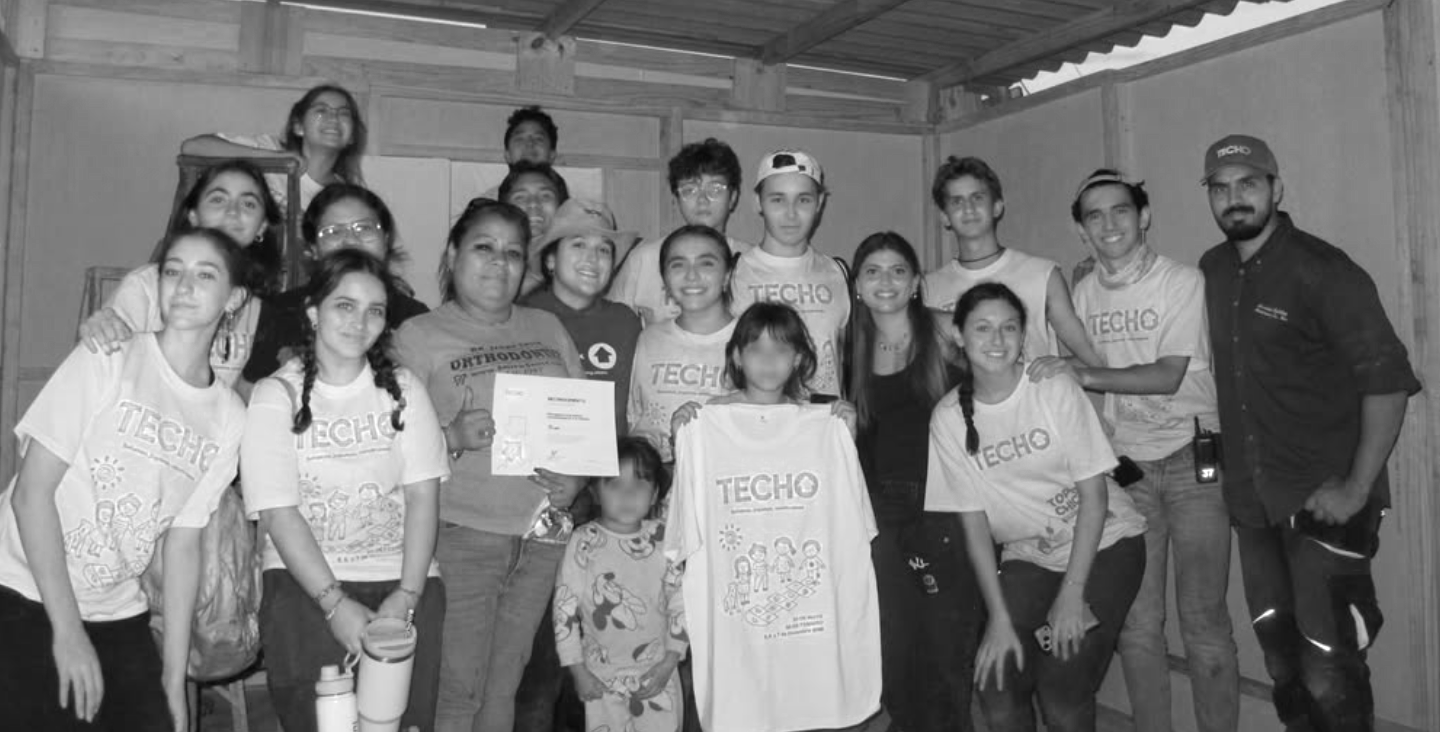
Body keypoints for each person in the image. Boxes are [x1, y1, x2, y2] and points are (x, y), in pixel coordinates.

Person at [1197, 135, 1419, 732]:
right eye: (1220, 188)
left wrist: (1355, 487)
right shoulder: (1213, 270)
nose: (1234, 198)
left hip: (1325, 502)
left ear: (1277, 188)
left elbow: (1388, 384)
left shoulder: (1324, 270)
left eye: (1248, 184)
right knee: (1283, 664)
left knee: (1330, 667)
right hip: (1253, 504)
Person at [0, 227, 251, 731]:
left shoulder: (227, 415)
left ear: (234, 298)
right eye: (173, 271)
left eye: (205, 275)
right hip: (24, 590)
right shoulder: (108, 355)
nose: (185, 285)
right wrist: (68, 633)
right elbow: (31, 495)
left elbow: (183, 544)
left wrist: (174, 680)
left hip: (116, 607)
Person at [1028, 169, 1239, 732]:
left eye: (1120, 210)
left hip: (1193, 461)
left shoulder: (1181, 281)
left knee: (1204, 622)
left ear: (1144, 216)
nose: (1109, 224)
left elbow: (1168, 375)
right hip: (1125, 471)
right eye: (1093, 216)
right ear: (1081, 230)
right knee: (1139, 626)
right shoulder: (1078, 295)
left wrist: (1081, 372)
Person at [394, 199, 587, 732]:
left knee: (505, 684)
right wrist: (451, 438)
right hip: (461, 534)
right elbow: (389, 444)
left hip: (543, 536)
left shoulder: (547, 325)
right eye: (484, 247)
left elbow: (580, 421)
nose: (500, 262)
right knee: (458, 687)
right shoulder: (417, 336)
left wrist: (578, 477)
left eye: (513, 252)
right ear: (453, 254)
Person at [241, 249, 449, 732]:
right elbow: (278, 514)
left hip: (405, 585)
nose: (360, 322)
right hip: (305, 587)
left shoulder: (403, 388)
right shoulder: (276, 395)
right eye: (344, 306)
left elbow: (423, 497)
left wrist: (407, 595)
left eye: (375, 310)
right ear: (313, 312)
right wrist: (334, 603)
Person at [926, 283, 1147, 732]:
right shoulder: (948, 418)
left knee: (1062, 689)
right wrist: (998, 618)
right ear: (959, 335)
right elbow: (974, 525)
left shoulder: (1051, 387)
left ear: (1023, 335)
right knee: (996, 683)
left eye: (1009, 327)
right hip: (1029, 555)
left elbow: (1095, 497)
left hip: (1105, 544)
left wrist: (1072, 593)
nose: (997, 339)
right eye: (982, 328)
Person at [666, 302, 879, 732]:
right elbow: (683, 527)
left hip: (805, 615)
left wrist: (846, 437)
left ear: (798, 358)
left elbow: (855, 522)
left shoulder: (823, 424)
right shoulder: (706, 423)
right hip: (736, 610)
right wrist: (681, 436)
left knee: (801, 698)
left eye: (780, 350)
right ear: (737, 356)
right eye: (756, 349)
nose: (768, 360)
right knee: (745, 703)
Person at [847, 232, 981, 732]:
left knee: (948, 645)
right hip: (879, 512)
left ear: (916, 282)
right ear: (857, 285)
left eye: (898, 270)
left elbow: (1003, 379)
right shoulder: (849, 342)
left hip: (945, 505)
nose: (886, 281)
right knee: (894, 646)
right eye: (873, 271)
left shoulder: (945, 330)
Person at [77, 159, 284, 386]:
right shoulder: (146, 286)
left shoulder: (261, 304)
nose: (232, 212)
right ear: (193, 216)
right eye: (218, 199)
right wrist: (102, 330)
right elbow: (103, 365)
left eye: (248, 204)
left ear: (262, 226)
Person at [554, 437, 687, 732]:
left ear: (655, 494)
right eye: (615, 485)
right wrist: (577, 670)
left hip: (657, 673)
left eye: (639, 485)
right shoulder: (583, 542)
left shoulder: (663, 538)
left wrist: (670, 661)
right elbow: (564, 611)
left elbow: (681, 602)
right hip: (600, 678)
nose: (628, 495)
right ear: (595, 491)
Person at [242, 184, 428, 389]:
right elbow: (250, 392)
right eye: (333, 232)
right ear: (313, 249)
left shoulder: (414, 318)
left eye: (364, 228)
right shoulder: (279, 312)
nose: (350, 240)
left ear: (385, 240)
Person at [923, 156, 1102, 368]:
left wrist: (1051, 369)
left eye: (977, 198)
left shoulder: (1042, 275)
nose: (968, 208)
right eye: (957, 201)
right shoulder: (928, 289)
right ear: (944, 216)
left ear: (997, 207)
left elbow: (1092, 358)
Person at [729, 150, 850, 399]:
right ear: (758, 202)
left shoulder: (838, 273)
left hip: (821, 418)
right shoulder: (734, 273)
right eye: (778, 200)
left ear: (819, 203)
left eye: (803, 200)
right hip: (753, 418)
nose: (791, 213)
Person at [522, 198, 642, 436]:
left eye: (603, 250)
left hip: (610, 457)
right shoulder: (522, 318)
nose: (592, 258)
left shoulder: (625, 322)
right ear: (551, 259)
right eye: (579, 245)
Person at [610, 138, 752, 326]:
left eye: (715, 189)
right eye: (690, 190)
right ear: (676, 199)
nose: (702, 199)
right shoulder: (644, 258)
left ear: (733, 198)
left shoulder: (752, 261)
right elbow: (612, 323)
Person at [628, 224, 737, 462]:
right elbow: (635, 419)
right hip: (654, 477)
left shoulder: (751, 341)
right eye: (678, 265)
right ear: (664, 280)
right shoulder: (648, 339)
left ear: (727, 276)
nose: (691, 275)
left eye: (706, 263)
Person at [181, 84, 366, 211]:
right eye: (321, 110)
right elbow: (193, 147)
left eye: (344, 114)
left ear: (351, 136)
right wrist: (275, 159)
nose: (333, 118)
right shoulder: (268, 148)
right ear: (298, 126)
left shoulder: (344, 196)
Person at [499, 161, 571, 297]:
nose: (533, 203)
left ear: (562, 207)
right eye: (520, 197)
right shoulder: (491, 265)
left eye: (545, 195)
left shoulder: (577, 263)